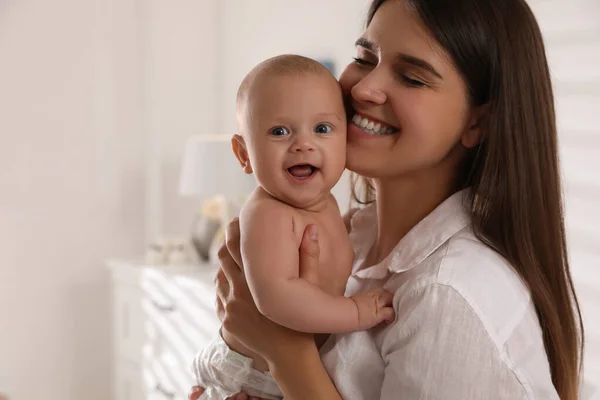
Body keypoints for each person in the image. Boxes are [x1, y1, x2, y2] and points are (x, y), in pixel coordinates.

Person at [191, 0, 585, 399]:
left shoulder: (450, 296)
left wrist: (283, 349)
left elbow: (280, 342)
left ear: (477, 122)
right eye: (365, 57)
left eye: (412, 78)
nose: (363, 88)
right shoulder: (356, 235)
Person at [192, 54, 394, 400]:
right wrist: (355, 312)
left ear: (346, 137)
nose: (303, 143)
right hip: (247, 376)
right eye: (279, 131)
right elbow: (276, 298)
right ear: (243, 155)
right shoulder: (268, 214)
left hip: (281, 372)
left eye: (322, 129)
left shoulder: (330, 206)